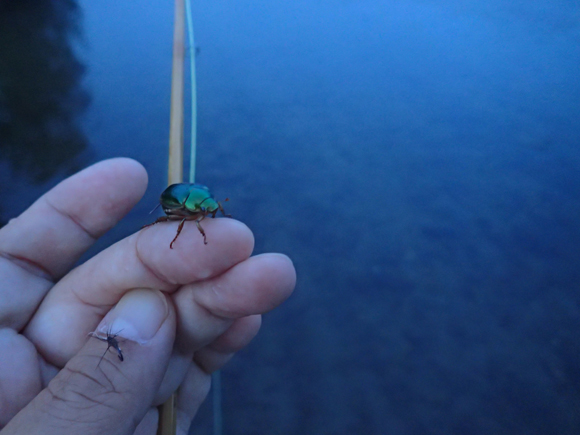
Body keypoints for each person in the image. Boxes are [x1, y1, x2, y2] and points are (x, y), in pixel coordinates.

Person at [0, 158, 296, 435]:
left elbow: (205, 204)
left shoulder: (203, 202)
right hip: (178, 200)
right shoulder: (184, 207)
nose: (209, 214)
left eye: (211, 210)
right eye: (205, 211)